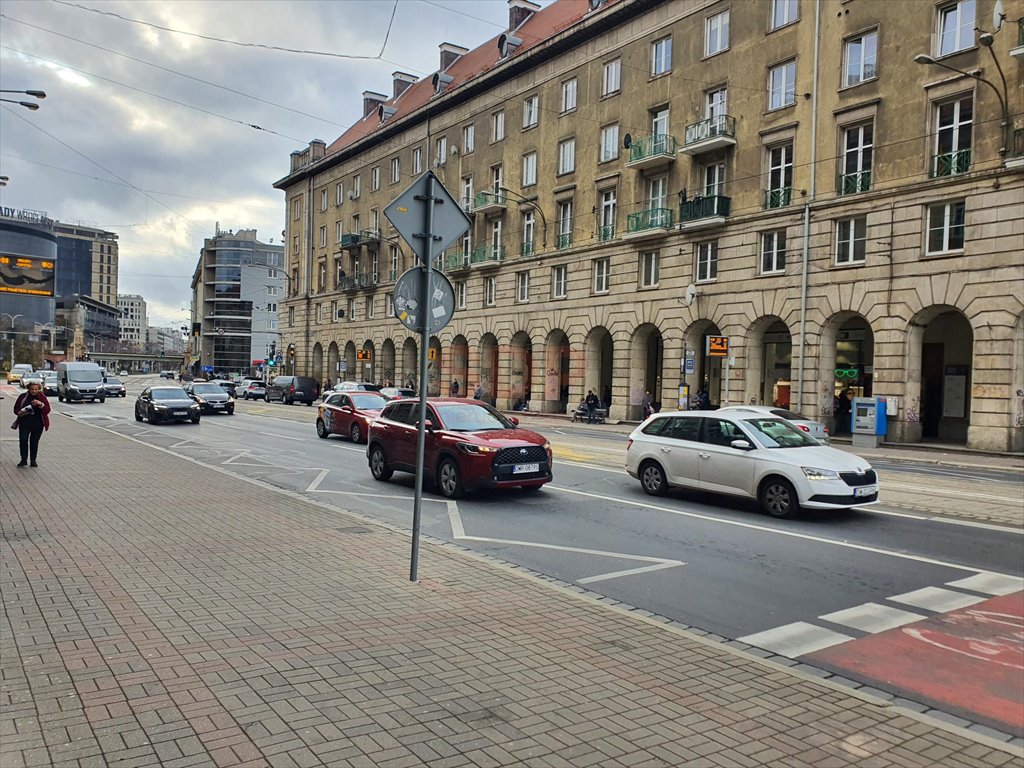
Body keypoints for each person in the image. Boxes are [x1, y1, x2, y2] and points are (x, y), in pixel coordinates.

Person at [12, 381, 51, 468]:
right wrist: (21, 412)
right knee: (23, 440)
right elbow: (16, 409)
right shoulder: (22, 397)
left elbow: (47, 410)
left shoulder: (42, 397)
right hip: (24, 423)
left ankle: (33, 461)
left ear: (39, 389)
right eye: (32, 389)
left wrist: (40, 404)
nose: (34, 391)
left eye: (36, 389)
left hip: (38, 423)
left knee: (34, 442)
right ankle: (23, 460)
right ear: (28, 389)